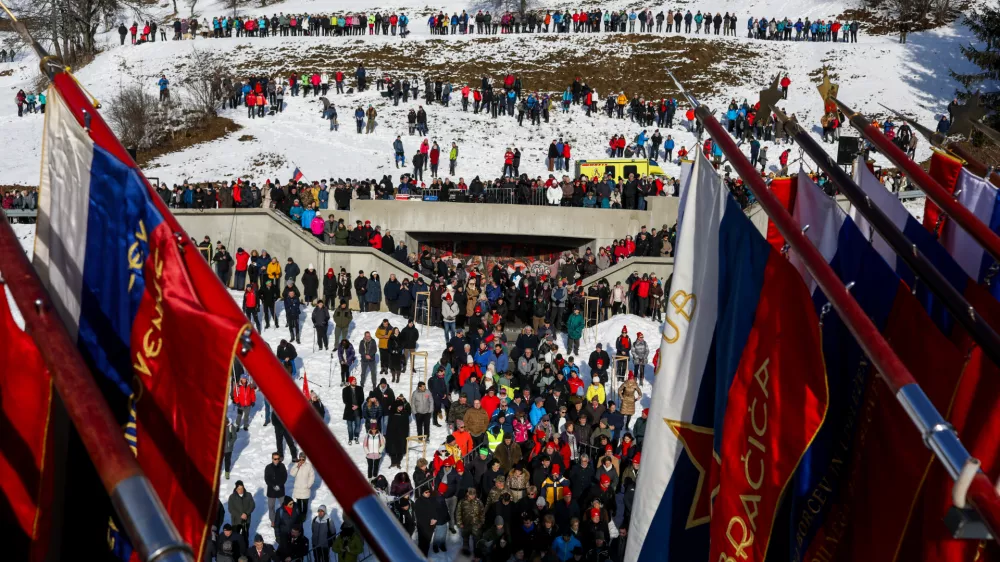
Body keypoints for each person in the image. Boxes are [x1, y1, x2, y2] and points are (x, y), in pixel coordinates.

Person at [385, 396, 411, 468]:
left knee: (400, 448)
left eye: (401, 406)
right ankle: (393, 462)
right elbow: (389, 425)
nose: (401, 408)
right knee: (392, 448)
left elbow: (406, 425)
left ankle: (398, 462)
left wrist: (405, 433)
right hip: (393, 434)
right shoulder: (392, 414)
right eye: (399, 407)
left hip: (401, 434)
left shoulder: (404, 414)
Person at [289, 452, 315, 521]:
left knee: (305, 505)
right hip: (298, 489)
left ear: (305, 459)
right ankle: (300, 515)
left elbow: (312, 476)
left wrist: (308, 485)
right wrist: (297, 467)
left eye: (303, 459)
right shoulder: (296, 465)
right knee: (299, 504)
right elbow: (292, 474)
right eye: (300, 459)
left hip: (305, 489)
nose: (301, 461)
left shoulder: (308, 466)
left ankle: (304, 516)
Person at [227, 480, 255, 544]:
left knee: (245, 535)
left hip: (246, 519)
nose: (241, 490)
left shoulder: (248, 495)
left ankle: (245, 546)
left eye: (242, 488)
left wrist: (246, 513)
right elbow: (231, 509)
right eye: (239, 489)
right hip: (236, 521)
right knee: (235, 535)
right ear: (236, 489)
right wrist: (240, 515)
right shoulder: (232, 497)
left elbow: (252, 505)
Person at [264, 452, 288, 526]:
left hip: (280, 490)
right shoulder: (268, 467)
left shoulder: (282, 466)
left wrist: (279, 485)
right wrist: (273, 485)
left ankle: (283, 519)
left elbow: (285, 477)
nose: (277, 460)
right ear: (272, 459)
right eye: (275, 459)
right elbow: (267, 479)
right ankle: (273, 520)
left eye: (278, 459)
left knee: (283, 506)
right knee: (271, 507)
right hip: (271, 490)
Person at [342, 375, 364, 444]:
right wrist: (352, 406)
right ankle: (350, 438)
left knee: (358, 425)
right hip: (349, 410)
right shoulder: (345, 390)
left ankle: (356, 436)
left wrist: (357, 406)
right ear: (350, 382)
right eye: (354, 381)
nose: (355, 382)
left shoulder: (360, 388)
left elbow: (362, 399)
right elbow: (345, 400)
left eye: (355, 381)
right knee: (349, 426)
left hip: (357, 410)